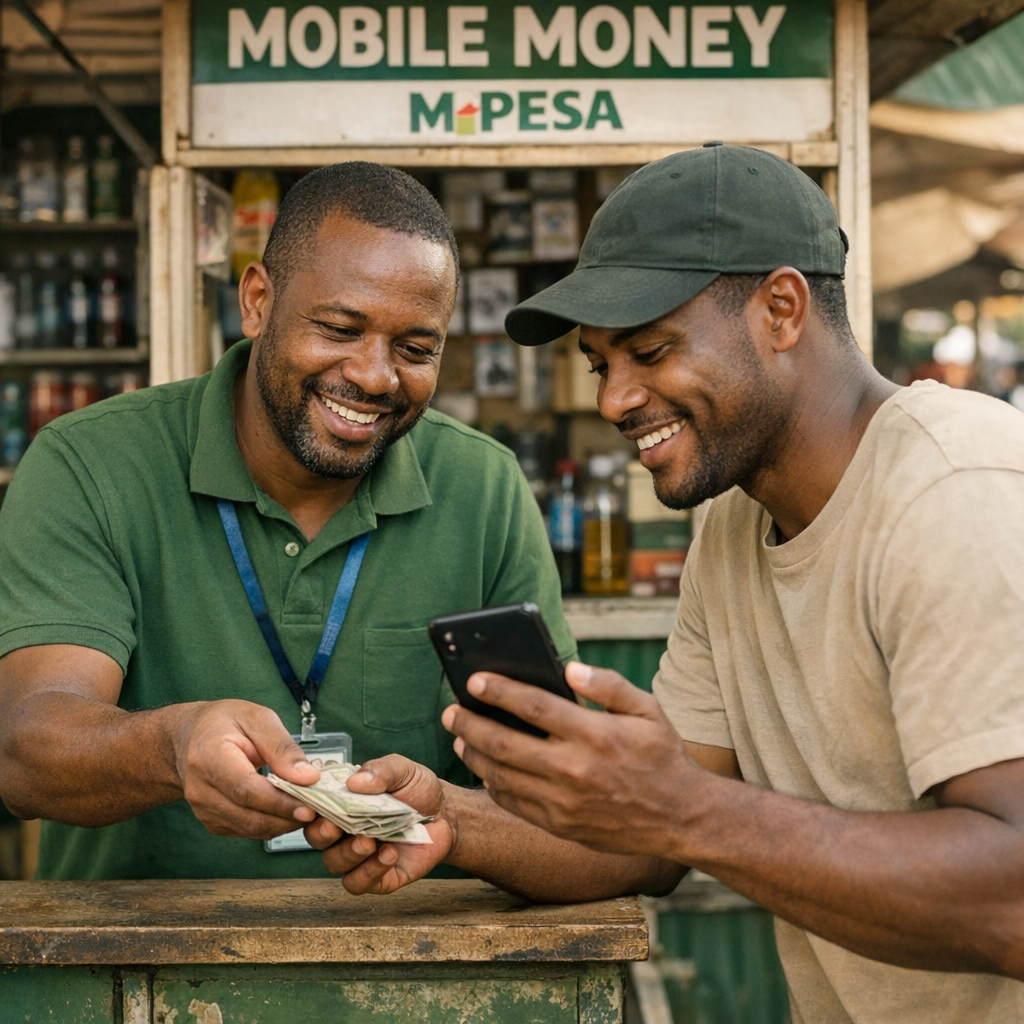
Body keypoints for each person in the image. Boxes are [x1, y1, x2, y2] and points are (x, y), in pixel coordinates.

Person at [322, 145, 1024, 1023]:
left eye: (650, 351)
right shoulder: (732, 529)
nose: (618, 398)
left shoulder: (956, 489)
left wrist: (685, 809)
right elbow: (644, 846)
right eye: (601, 366)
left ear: (780, 309)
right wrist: (453, 819)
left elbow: (1013, 900)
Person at [0, 161, 580, 880]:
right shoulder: (90, 464)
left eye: (416, 349)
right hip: (138, 977)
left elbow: (570, 815)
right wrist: (174, 746)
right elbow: (24, 749)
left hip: (414, 969)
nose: (375, 376)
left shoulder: (483, 488)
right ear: (256, 301)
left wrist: (448, 820)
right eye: (340, 328)